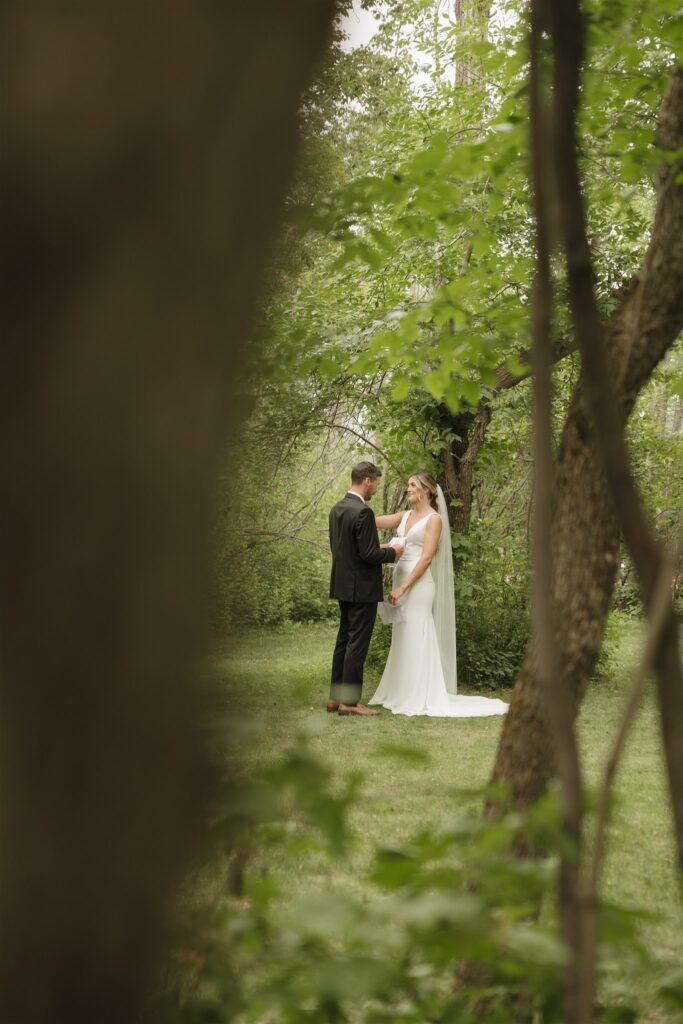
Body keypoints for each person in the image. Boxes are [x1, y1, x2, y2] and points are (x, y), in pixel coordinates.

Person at [369, 472, 508, 718]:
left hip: (418, 585)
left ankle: (419, 694)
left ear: (425, 490)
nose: (408, 488)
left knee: (416, 630)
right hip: (401, 578)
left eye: (412, 485)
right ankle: (400, 690)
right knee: (402, 633)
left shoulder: (434, 520)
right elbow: (373, 520)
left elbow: (426, 558)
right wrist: (362, 500)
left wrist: (403, 587)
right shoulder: (404, 516)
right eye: (408, 485)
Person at [328, 461, 404, 716]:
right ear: (368, 480)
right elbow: (369, 554)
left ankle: (335, 699)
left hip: (342, 584)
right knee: (357, 645)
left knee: (344, 641)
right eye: (377, 482)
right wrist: (394, 552)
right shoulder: (362, 512)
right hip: (361, 588)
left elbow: (339, 550)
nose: (376, 487)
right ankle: (349, 703)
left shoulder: (337, 509)